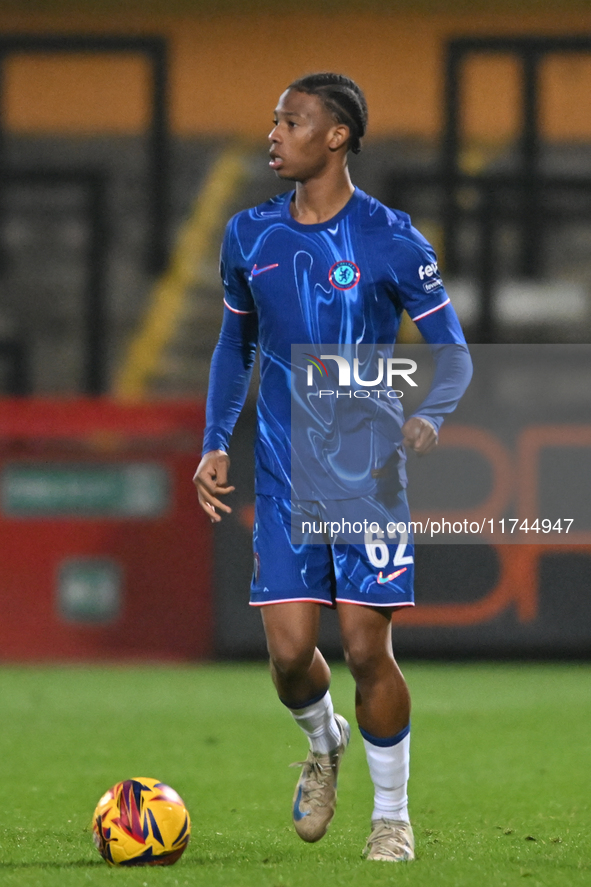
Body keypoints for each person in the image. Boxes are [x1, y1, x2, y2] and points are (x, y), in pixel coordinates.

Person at [194, 72, 472, 862]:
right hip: (283, 473)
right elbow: (233, 344)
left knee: (362, 647)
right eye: (274, 117)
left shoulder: (390, 238)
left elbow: (452, 357)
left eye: (291, 120)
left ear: (336, 136)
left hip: (366, 475)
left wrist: (427, 416)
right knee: (287, 656)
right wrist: (215, 437)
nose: (273, 132)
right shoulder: (250, 235)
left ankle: (392, 816)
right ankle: (325, 740)